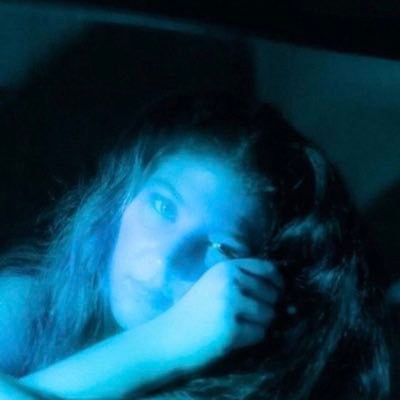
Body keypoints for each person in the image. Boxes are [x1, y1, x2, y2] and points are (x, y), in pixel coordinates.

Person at [0, 93, 390, 399]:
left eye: (221, 247)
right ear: (120, 198)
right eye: (162, 206)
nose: (165, 259)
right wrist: (165, 341)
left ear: (261, 286)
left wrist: (172, 342)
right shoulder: (34, 301)